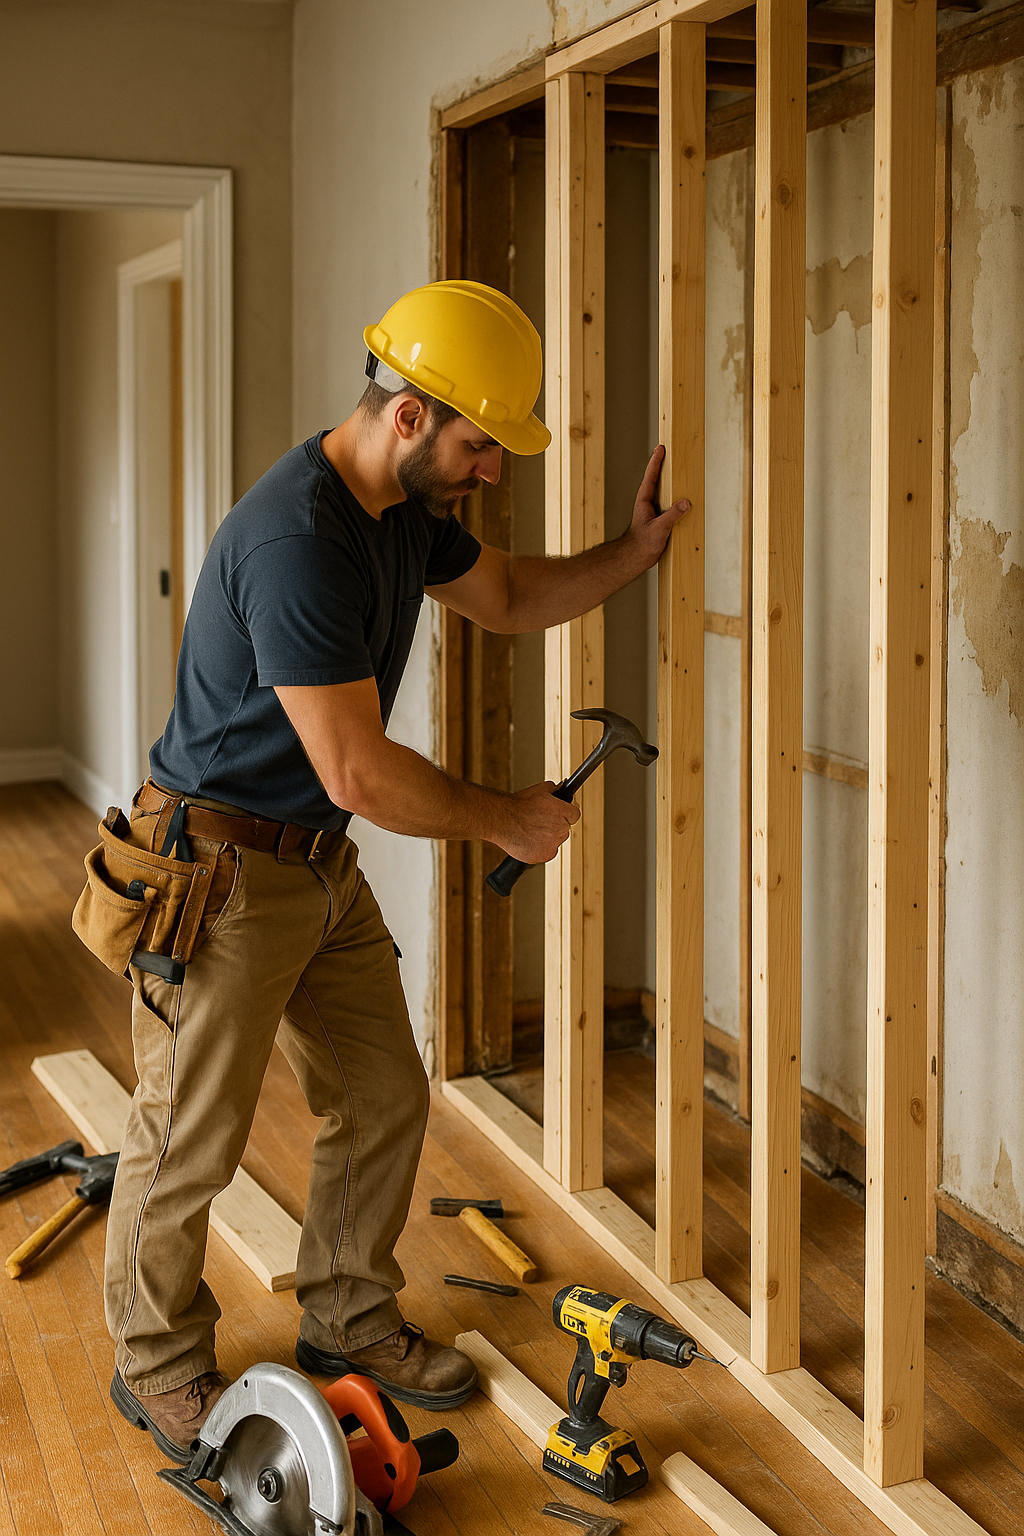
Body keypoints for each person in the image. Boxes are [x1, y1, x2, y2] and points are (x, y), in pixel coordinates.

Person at [102, 279, 689, 1461]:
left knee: (381, 1092)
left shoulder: (402, 515)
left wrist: (632, 555)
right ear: (409, 417)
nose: (492, 469)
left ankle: (349, 1320)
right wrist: (504, 820)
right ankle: (155, 1366)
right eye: (480, 443)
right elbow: (361, 769)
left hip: (313, 858)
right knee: (190, 1138)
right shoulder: (296, 541)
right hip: (216, 870)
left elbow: (513, 595)